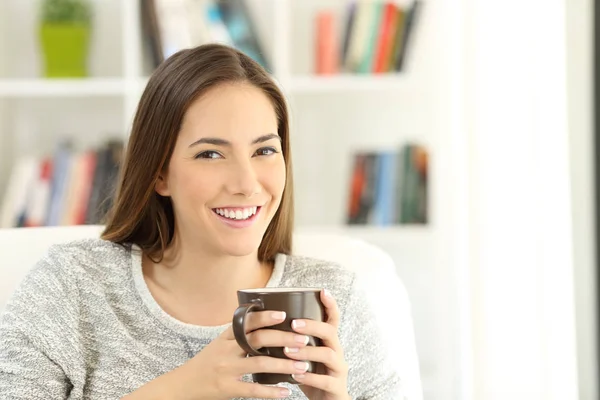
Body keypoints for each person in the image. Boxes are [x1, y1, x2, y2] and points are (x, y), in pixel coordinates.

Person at [0, 44, 403, 399]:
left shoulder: (337, 301)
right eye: (211, 154)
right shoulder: (73, 286)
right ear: (159, 173)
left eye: (264, 150)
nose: (247, 184)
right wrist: (187, 386)